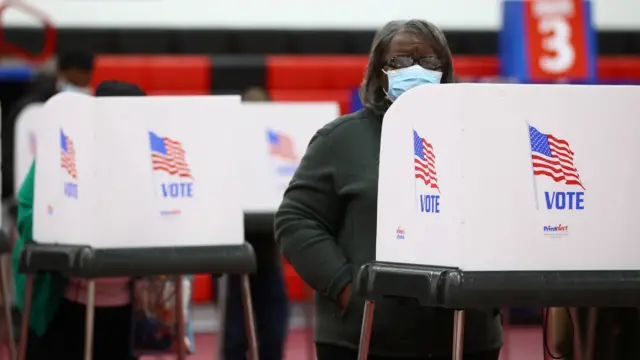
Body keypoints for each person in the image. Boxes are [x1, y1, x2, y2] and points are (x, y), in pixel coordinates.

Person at [274, 19, 502, 360]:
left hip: (466, 334)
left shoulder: (478, 138)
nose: (415, 70)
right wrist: (345, 288)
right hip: (363, 336)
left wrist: (490, 297)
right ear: (379, 73)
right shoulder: (340, 140)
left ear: (445, 71)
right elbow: (296, 220)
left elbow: (504, 218)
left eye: (429, 62)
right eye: (400, 62)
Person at [13, 80, 145, 360]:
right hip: (61, 304)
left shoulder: (146, 159)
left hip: (124, 309)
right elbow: (26, 211)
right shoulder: (64, 152)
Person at [215, 86, 290, 360]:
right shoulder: (228, 150)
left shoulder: (275, 152)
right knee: (234, 337)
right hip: (233, 256)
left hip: (269, 253)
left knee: (272, 332)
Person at [2, 50, 95, 201]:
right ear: (61, 74)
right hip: (30, 189)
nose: (81, 87)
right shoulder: (30, 109)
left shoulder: (90, 106)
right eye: (75, 83)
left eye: (85, 83)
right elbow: (10, 153)